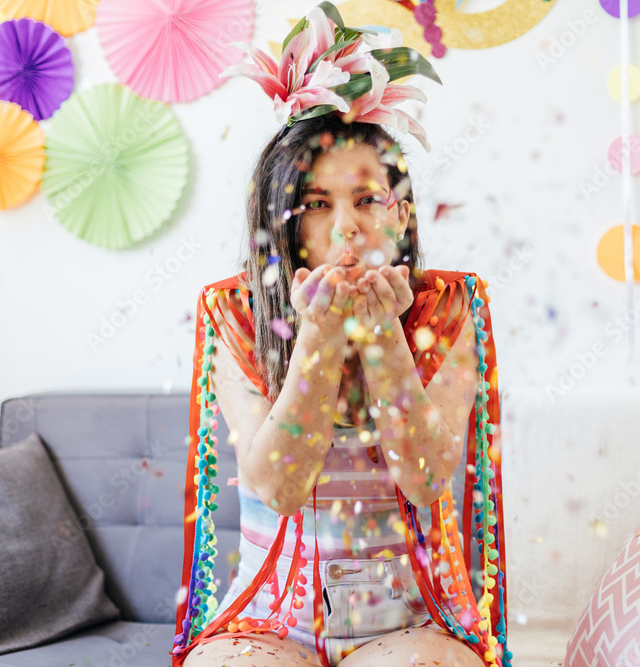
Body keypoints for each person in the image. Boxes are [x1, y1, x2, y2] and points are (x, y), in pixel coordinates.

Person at [171, 5, 509, 667]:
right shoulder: (234, 314)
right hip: (267, 621)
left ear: (400, 214)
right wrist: (322, 336)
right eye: (318, 205)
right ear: (283, 221)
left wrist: (382, 336)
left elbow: (426, 478)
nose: (346, 228)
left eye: (366, 200)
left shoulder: (447, 308)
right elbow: (279, 485)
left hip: (405, 621)